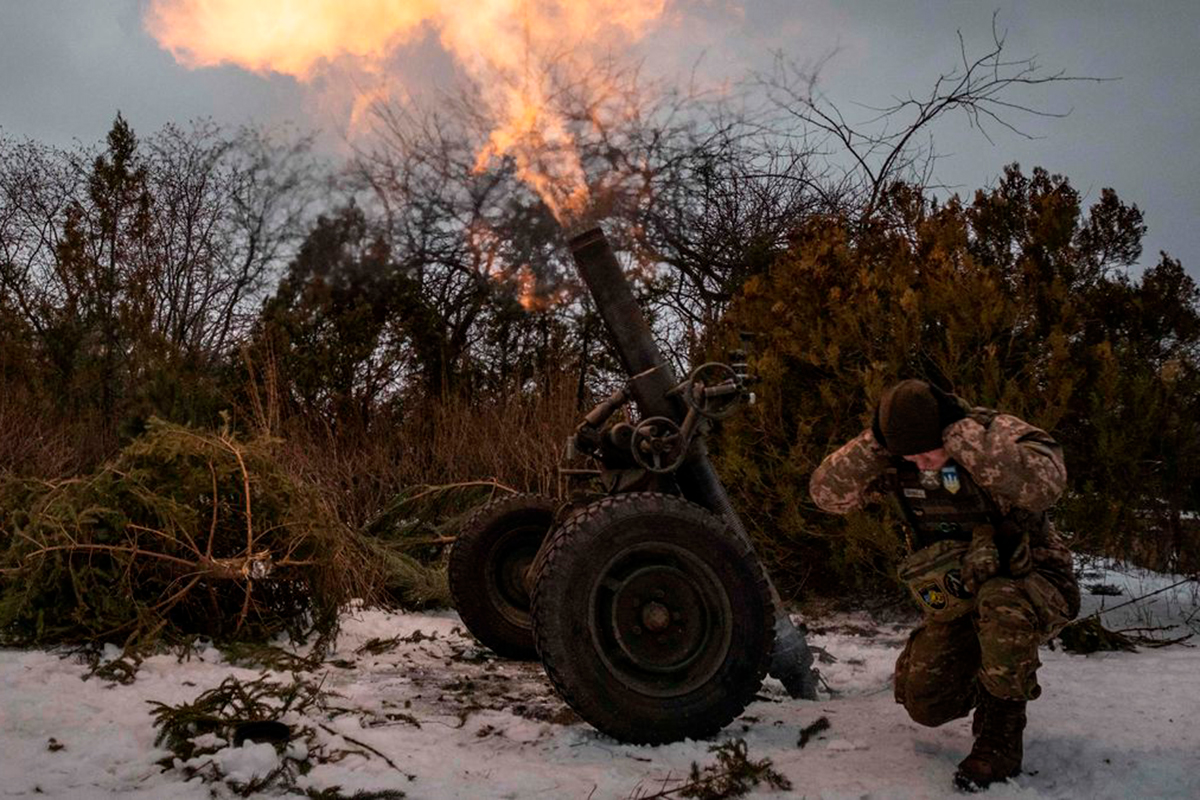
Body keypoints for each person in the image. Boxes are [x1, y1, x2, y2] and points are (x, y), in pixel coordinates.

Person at [809, 379, 1080, 792]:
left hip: (1036, 584)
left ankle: (1000, 734)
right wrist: (876, 443)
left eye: (928, 453)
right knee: (925, 700)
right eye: (910, 456)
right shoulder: (899, 458)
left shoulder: (992, 432)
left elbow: (1046, 485)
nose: (922, 465)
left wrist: (962, 438)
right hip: (960, 596)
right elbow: (826, 495)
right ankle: (992, 674)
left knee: (1001, 600)